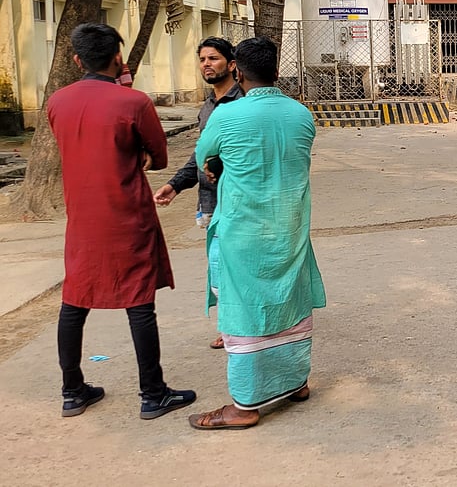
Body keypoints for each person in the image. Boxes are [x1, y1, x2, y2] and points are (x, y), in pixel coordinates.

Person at [45, 23, 196, 420]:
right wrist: (141, 156)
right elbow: (158, 156)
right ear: (118, 58)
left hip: (82, 216)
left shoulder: (57, 101)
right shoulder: (133, 102)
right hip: (127, 214)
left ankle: (72, 391)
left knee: (74, 301)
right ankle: (152, 393)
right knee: (139, 301)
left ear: (77, 60)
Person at [187, 37, 327, 430]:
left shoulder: (226, 115)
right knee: (290, 305)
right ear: (276, 70)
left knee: (244, 313)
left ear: (238, 70)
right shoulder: (301, 114)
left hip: (243, 231)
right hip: (291, 227)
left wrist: (218, 164)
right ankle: (295, 383)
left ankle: (244, 406)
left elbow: (204, 157)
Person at [154, 37, 243, 350]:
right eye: (203, 59)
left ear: (232, 65)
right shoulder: (208, 107)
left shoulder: (242, 102)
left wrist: (220, 165)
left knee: (231, 265)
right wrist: (175, 185)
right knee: (219, 265)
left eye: (214, 58)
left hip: (238, 202)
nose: (207, 64)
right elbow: (200, 155)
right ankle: (231, 323)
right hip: (210, 201)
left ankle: (237, 326)